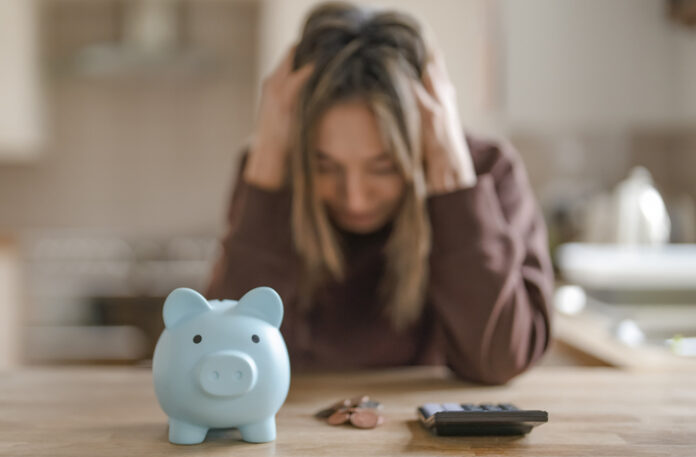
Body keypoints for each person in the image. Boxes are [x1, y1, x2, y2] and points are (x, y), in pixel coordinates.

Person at [205, 1, 554, 385]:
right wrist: (269, 148)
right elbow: (219, 353)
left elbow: (500, 361)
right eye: (325, 165)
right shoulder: (272, 171)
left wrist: (452, 177)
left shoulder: (488, 171)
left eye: (384, 167)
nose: (354, 198)